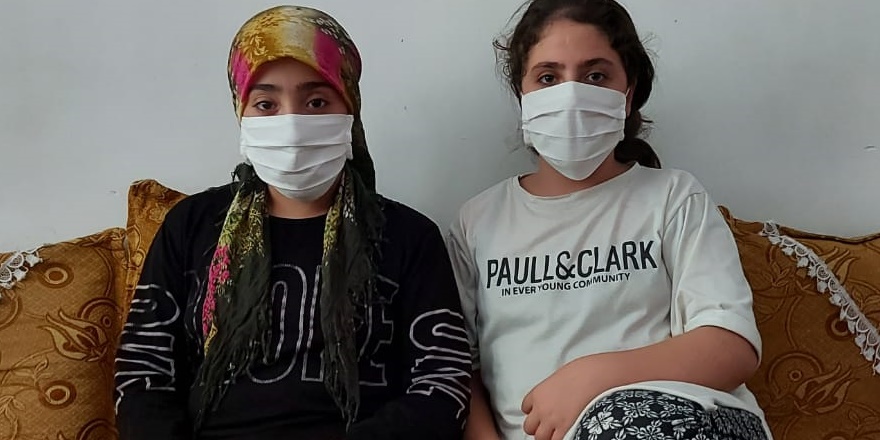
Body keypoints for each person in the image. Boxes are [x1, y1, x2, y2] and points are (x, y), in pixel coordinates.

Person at [114, 6, 470, 439]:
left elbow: (442, 382)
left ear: (350, 107)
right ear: (241, 112)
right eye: (266, 104)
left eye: (316, 102)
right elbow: (144, 371)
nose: (293, 124)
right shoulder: (191, 226)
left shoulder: (409, 237)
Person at [447, 0, 772, 439]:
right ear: (523, 96)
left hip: (683, 422)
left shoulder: (673, 196)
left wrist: (592, 378)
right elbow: (457, 369)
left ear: (628, 92)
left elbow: (731, 345)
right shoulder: (478, 221)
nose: (571, 95)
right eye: (548, 78)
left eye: (595, 76)